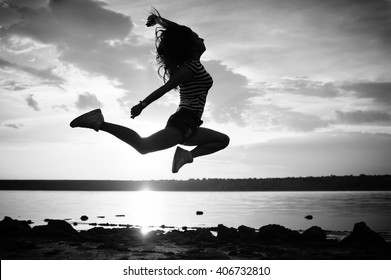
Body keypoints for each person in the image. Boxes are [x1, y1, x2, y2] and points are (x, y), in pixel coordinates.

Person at [70, 9, 229, 173]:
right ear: (191, 46)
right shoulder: (190, 68)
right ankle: (99, 122)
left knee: (222, 140)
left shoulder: (193, 65)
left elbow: (180, 31)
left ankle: (186, 156)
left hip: (191, 124)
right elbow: (165, 88)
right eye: (197, 38)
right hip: (183, 123)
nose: (201, 39)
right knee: (143, 146)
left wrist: (159, 20)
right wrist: (142, 105)